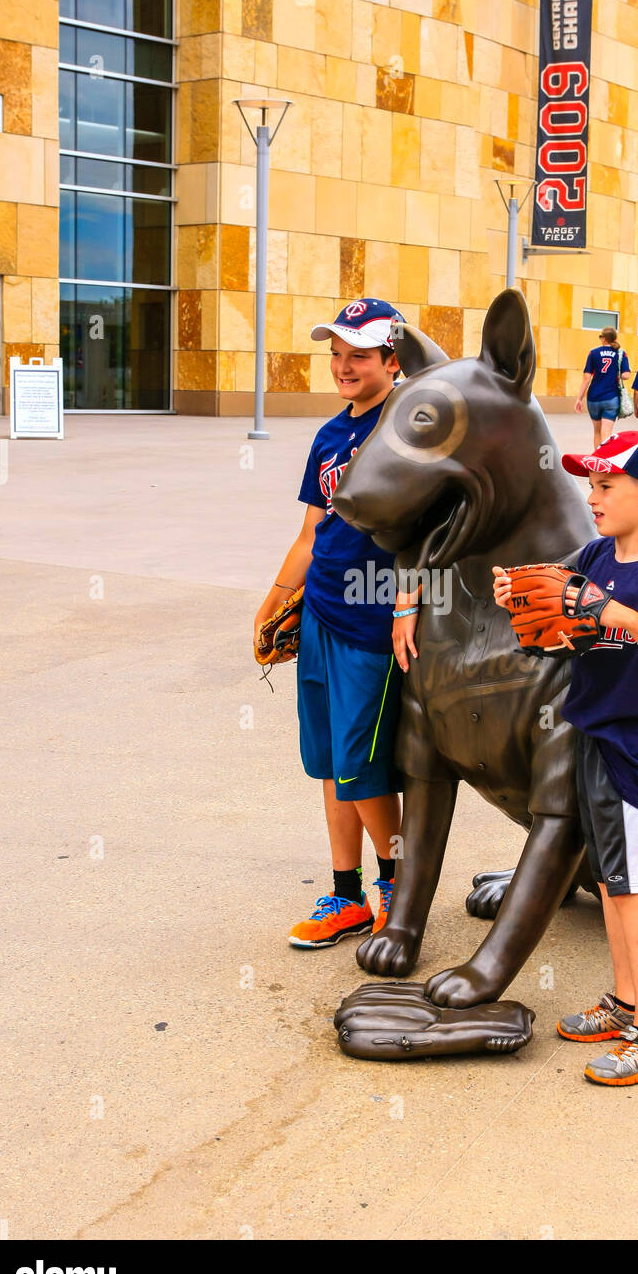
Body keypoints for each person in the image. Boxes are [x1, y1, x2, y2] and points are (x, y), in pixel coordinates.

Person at [493, 431, 638, 1085]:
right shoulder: (595, 555)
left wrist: (622, 616)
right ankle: (624, 1002)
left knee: (632, 888)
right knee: (613, 883)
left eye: (605, 486)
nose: (592, 497)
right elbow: (562, 628)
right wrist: (524, 607)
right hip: (593, 737)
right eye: (589, 485)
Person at [254, 299, 406, 949]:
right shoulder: (329, 436)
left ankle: (399, 887)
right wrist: (274, 601)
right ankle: (346, 896)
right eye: (337, 354)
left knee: (360, 766)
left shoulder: (410, 431)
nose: (345, 367)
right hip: (319, 613)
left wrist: (407, 605)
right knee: (327, 765)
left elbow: (430, 535)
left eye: (361, 356)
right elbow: (311, 533)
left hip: (372, 626)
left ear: (392, 361)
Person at [574, 326, 631, 447]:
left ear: (604, 339)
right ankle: (605, 460)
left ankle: (597, 461)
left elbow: (586, 378)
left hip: (593, 398)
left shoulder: (593, 353)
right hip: (611, 398)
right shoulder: (621, 353)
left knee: (597, 432)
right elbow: (626, 375)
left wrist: (579, 399)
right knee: (606, 433)